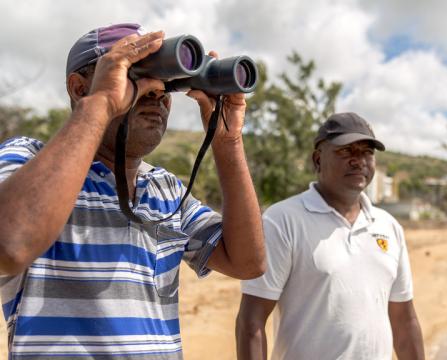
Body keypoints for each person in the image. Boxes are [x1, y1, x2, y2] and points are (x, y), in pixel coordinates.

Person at [0, 23, 265, 359]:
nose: (155, 94)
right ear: (80, 88)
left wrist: (228, 141)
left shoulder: (165, 189)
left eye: (165, 84)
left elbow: (248, 262)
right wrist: (102, 103)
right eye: (136, 77)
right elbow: (10, 245)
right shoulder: (29, 159)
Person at [236, 112, 425, 360]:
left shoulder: (389, 227)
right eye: (345, 151)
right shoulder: (283, 220)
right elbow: (251, 322)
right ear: (317, 160)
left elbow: (404, 321)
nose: (358, 161)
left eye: (367, 152)